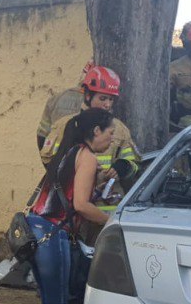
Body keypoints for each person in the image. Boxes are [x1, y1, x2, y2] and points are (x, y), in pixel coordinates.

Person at [26, 108, 115, 304]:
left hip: (35, 229)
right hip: (53, 235)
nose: (112, 139)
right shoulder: (87, 157)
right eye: (110, 132)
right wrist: (112, 222)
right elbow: (81, 205)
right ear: (96, 131)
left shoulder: (70, 151)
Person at [39, 65, 139, 228]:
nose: (107, 104)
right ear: (87, 95)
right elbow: (49, 161)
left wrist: (122, 167)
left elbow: (134, 166)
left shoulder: (119, 129)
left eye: (111, 99)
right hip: (72, 212)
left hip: (104, 211)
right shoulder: (65, 125)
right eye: (102, 98)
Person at [37, 61, 93, 150]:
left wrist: (48, 160)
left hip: (56, 158)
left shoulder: (57, 98)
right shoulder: (94, 103)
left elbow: (42, 135)